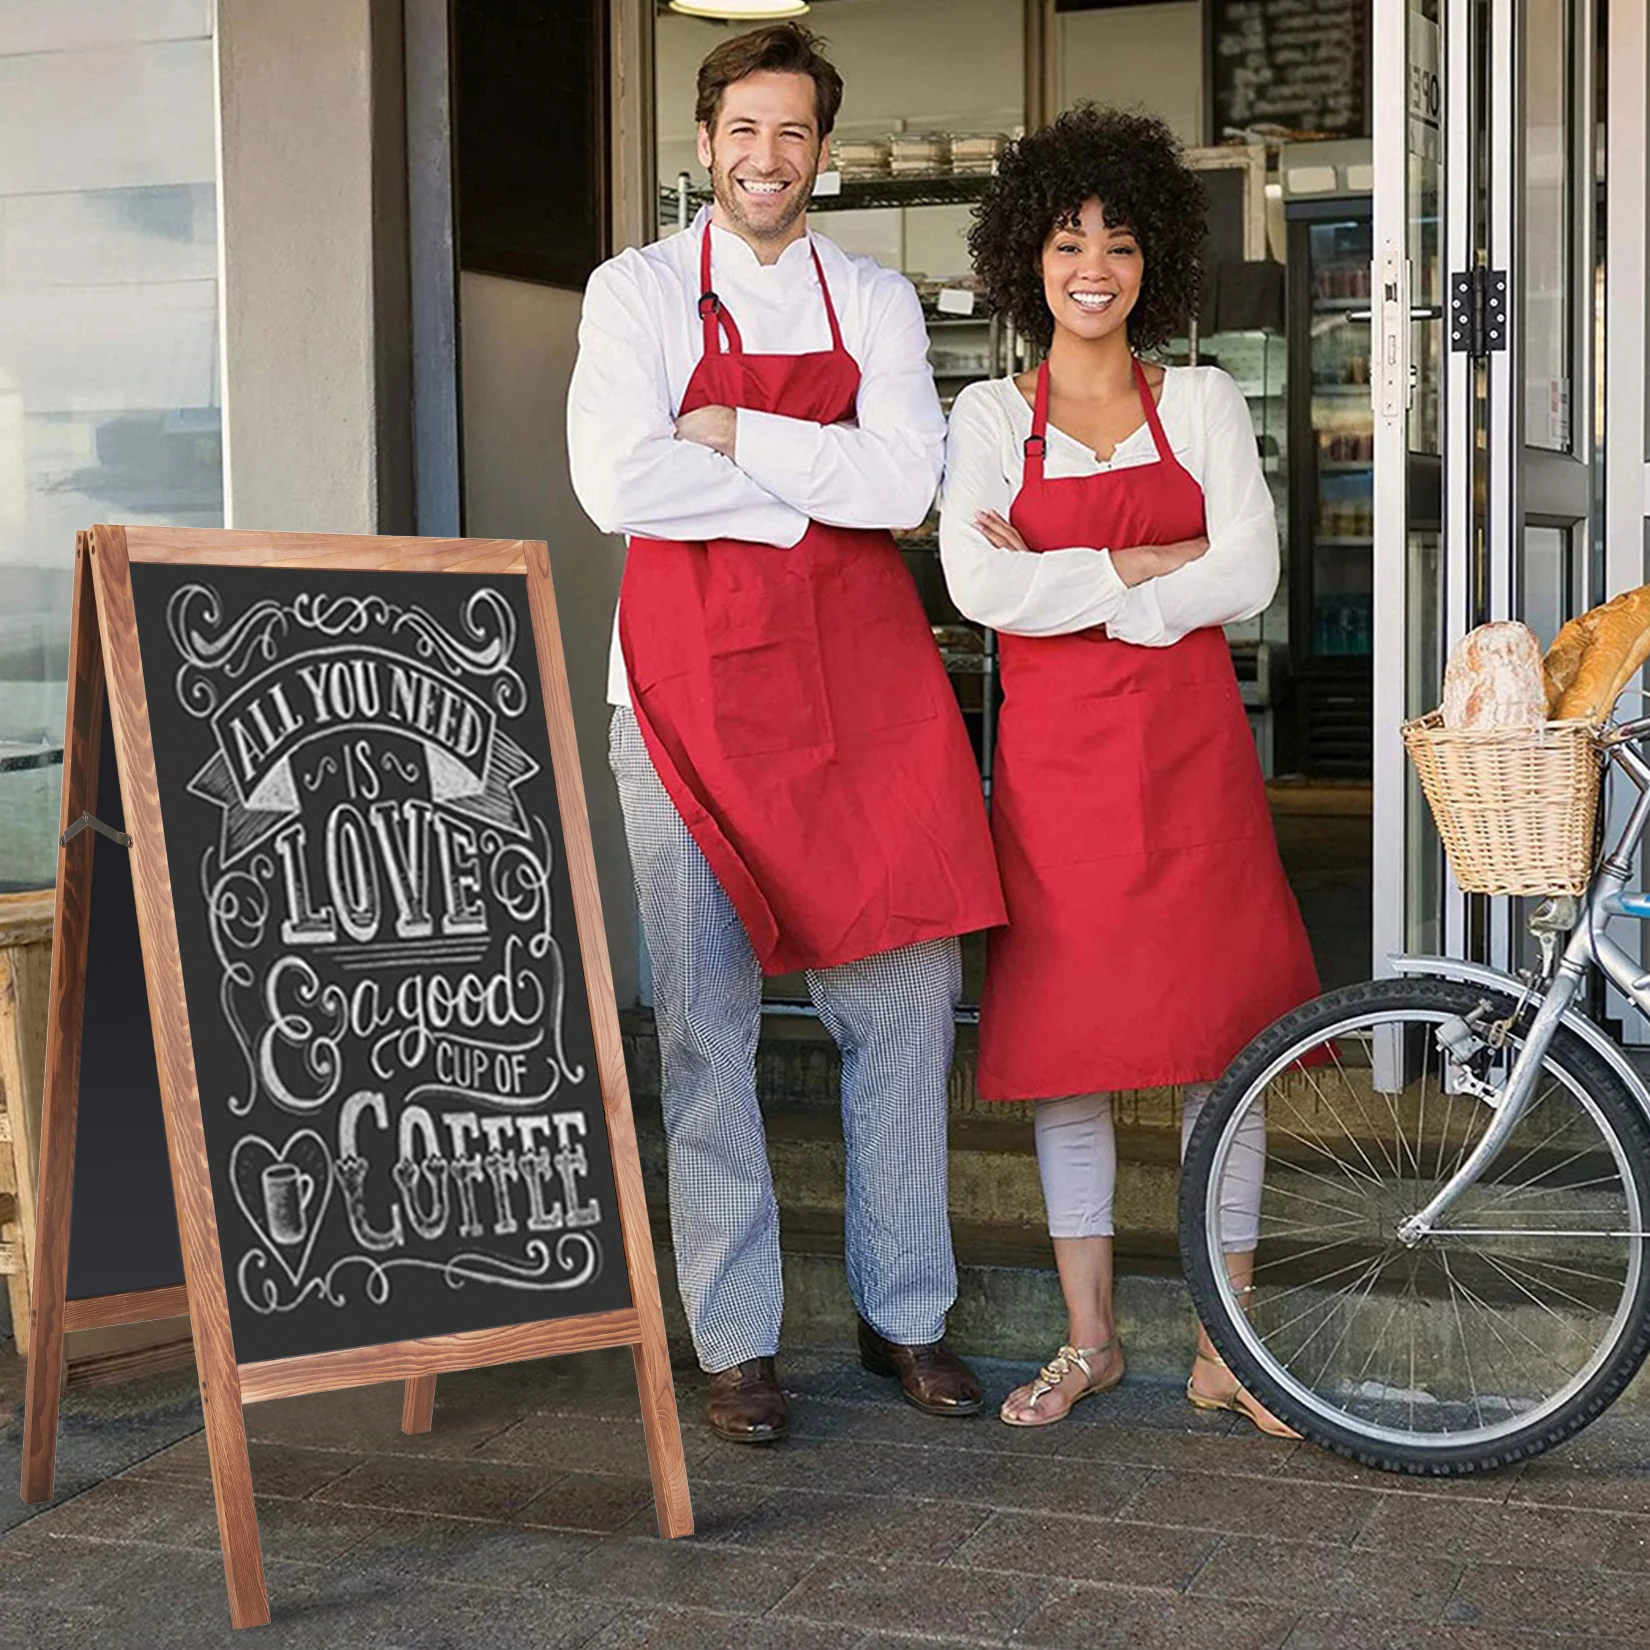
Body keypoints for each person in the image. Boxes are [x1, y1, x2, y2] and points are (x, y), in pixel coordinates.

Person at [568, 23, 1005, 1445]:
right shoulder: (632, 291)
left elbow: (901, 487)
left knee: (901, 1007)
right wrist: (801, 490)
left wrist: (735, 438)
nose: (768, 156)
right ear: (705, 143)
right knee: (705, 1027)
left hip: (859, 698)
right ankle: (737, 1340)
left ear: (821, 150)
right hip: (684, 699)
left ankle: (907, 1316)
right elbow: (610, 482)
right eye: (744, 129)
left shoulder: (871, 295)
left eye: (794, 132)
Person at [938, 106, 1319, 1435]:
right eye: (1063, 236)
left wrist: (1076, 585)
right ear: (1022, 257)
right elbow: (974, 581)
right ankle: (1089, 1339)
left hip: (1191, 761)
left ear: (1150, 252)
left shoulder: (1203, 398)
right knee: (1069, 1056)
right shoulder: (989, 413)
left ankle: (1229, 1348)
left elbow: (1253, 571)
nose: (1090, 260)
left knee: (1226, 1047)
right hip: (1055, 779)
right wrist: (1147, 567)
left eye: (1114, 235)